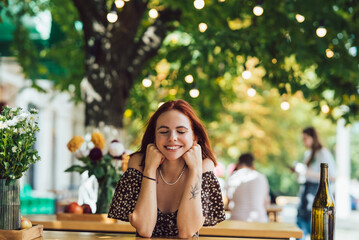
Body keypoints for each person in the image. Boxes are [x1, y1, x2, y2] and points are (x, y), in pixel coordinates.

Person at [108, 99, 225, 238]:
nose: (172, 138)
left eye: (181, 131)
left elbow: (187, 232)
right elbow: (145, 229)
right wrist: (150, 169)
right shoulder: (138, 163)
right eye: (163, 131)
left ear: (195, 137)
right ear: (154, 137)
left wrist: (195, 171)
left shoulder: (204, 167)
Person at [294, 127, 336, 240]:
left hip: (317, 191)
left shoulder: (322, 152)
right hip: (306, 190)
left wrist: (309, 173)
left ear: (313, 137)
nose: (304, 142)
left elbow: (331, 176)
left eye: (305, 138)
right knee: (300, 221)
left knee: (315, 223)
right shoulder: (308, 153)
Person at [226, 153, 270, 222]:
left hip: (236, 219)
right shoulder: (261, 177)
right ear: (253, 165)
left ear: (238, 164)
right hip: (259, 220)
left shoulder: (232, 177)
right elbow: (266, 202)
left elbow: (229, 203)